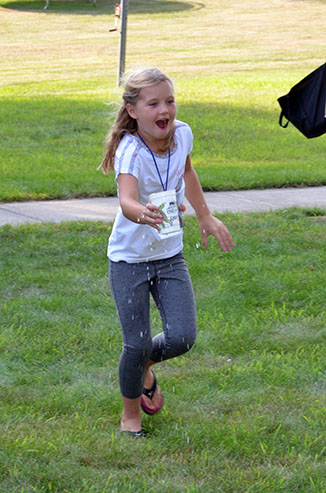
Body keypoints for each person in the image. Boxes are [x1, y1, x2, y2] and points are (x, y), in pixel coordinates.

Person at [100, 67, 234, 437]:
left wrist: (205, 216)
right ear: (133, 111)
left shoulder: (183, 135)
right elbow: (126, 199)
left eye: (170, 101)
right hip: (129, 259)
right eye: (154, 103)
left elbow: (187, 173)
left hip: (169, 254)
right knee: (136, 341)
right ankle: (131, 418)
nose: (165, 110)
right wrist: (142, 212)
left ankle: (143, 365)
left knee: (183, 336)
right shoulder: (130, 152)